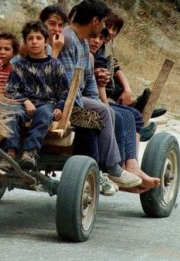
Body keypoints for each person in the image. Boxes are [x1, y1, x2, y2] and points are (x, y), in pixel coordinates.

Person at [58, 0, 142, 189]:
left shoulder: (83, 44)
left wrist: (97, 103)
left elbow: (88, 83)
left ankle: (107, 169)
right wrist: (95, 107)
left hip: (77, 98)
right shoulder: (68, 39)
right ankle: (112, 168)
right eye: (103, 22)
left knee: (108, 111)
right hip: (63, 101)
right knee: (104, 112)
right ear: (95, 21)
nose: (104, 27)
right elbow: (68, 86)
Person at [89, 31, 161, 193]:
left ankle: (131, 164)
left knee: (131, 115)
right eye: (94, 37)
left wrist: (124, 90)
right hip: (91, 101)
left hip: (99, 99)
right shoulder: (82, 53)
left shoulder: (99, 55)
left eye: (101, 38)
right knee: (125, 116)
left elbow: (111, 74)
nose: (97, 41)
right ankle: (122, 167)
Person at [0, 21, 68, 171]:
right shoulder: (19, 65)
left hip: (46, 103)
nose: (34, 42)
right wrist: (25, 101)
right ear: (25, 42)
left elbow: (64, 92)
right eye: (30, 38)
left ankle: (30, 152)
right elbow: (11, 90)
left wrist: (60, 108)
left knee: (44, 115)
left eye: (38, 38)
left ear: (46, 41)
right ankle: (9, 152)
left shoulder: (55, 65)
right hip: (22, 104)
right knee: (10, 111)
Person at [98, 11, 167, 119]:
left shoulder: (105, 46)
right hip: (95, 89)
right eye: (108, 27)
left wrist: (127, 89)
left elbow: (115, 67)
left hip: (103, 87)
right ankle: (135, 107)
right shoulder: (95, 42)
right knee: (106, 71)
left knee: (110, 65)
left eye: (115, 29)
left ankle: (134, 105)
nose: (110, 32)